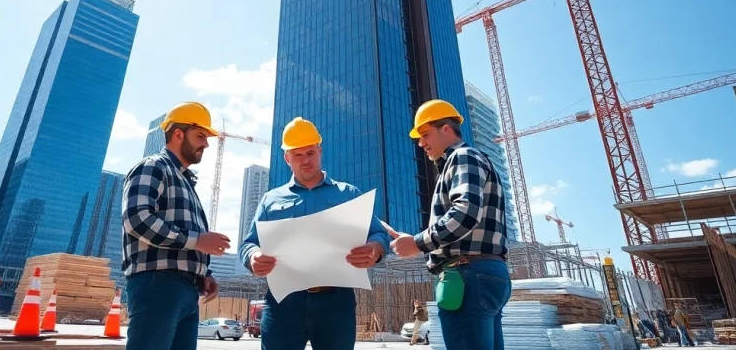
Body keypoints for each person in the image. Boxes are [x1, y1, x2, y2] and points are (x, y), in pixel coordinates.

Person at [238, 116, 392, 350]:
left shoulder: (348, 194)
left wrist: (375, 249)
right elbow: (249, 243)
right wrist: (253, 257)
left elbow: (379, 234)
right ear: (287, 158)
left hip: (336, 302)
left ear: (320, 150)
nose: (305, 160)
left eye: (310, 152)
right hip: (283, 303)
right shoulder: (271, 200)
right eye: (298, 155)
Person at [387, 99, 511, 350]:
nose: (421, 143)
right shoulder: (473, 160)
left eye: (425, 134)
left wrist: (418, 243)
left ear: (446, 129)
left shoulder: (462, 156)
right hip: (485, 272)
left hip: (465, 274)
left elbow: (465, 213)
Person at [122, 102, 232, 350]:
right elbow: (137, 219)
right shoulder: (154, 166)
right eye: (201, 136)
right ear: (178, 134)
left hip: (186, 291)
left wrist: (204, 273)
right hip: (157, 285)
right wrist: (197, 241)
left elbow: (181, 232)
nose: (206, 143)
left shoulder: (185, 182)